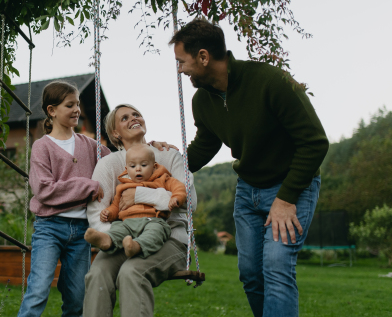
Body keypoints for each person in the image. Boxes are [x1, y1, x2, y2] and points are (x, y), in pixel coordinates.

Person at [171, 18, 329, 317]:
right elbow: (205, 145)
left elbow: (315, 143)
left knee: (277, 268)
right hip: (248, 192)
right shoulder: (202, 101)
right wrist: (166, 163)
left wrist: (286, 199)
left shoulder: (272, 81)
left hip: (291, 187)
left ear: (203, 56)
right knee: (251, 274)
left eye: (182, 61)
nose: (180, 69)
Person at [19, 82, 174, 317]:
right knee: (39, 289)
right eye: (69, 105)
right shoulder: (42, 147)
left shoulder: (92, 147)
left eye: (78, 105)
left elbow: (127, 158)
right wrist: (88, 186)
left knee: (78, 297)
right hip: (49, 227)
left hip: (82, 231)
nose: (77, 110)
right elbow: (44, 189)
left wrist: (151, 146)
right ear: (52, 110)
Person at [83, 104, 197, 317]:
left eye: (136, 114)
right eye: (125, 117)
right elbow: (96, 212)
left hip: (169, 237)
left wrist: (139, 196)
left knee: (132, 272)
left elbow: (189, 203)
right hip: (122, 238)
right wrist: (116, 236)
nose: (133, 118)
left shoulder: (168, 154)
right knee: (97, 273)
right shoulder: (108, 164)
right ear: (115, 132)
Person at [84, 144, 187, 258]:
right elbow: (116, 205)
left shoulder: (162, 178)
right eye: (133, 166)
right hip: (127, 222)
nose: (138, 169)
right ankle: (107, 240)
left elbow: (179, 187)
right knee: (118, 229)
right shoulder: (124, 187)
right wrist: (109, 213)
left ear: (154, 166)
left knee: (156, 233)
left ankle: (136, 247)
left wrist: (176, 198)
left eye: (143, 165)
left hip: (153, 220)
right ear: (127, 170)